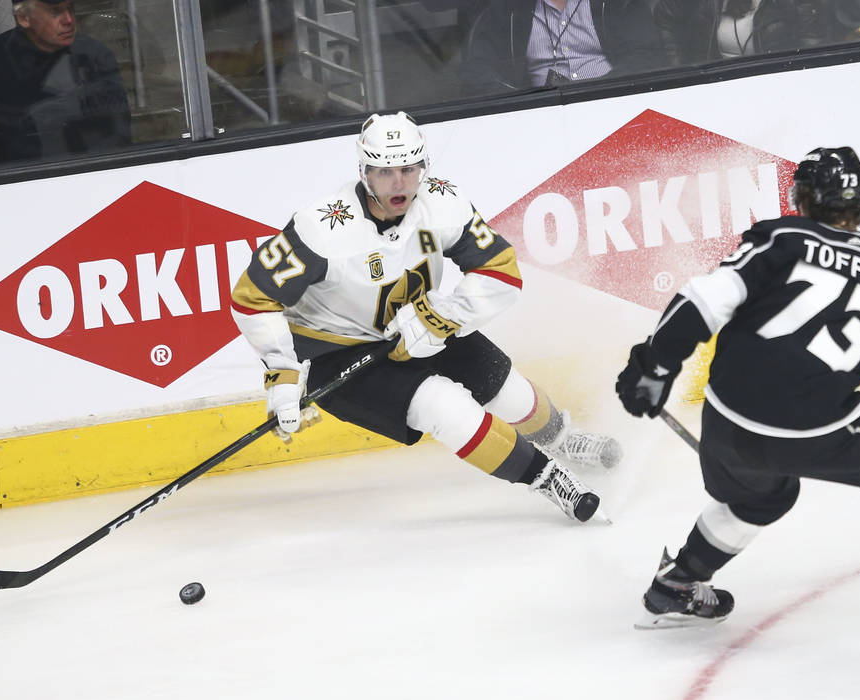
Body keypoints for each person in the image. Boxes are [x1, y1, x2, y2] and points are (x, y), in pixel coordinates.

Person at [616, 147, 860, 632]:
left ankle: (678, 585)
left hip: (726, 420)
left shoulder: (780, 238)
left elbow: (702, 301)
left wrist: (653, 368)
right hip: (814, 430)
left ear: (801, 197)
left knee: (763, 496)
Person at [230, 111, 622, 523]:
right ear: (364, 171)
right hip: (339, 355)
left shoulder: (442, 202)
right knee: (445, 408)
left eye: (409, 168)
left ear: (424, 166)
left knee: (509, 390)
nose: (399, 183)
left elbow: (500, 270)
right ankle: (547, 478)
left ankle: (562, 440)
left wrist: (442, 317)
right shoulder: (322, 228)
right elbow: (253, 298)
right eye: (385, 171)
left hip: (418, 324)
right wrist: (282, 375)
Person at [0, 0, 131, 168]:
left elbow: (117, 133)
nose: (69, 20)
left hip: (89, 172)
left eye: (70, 8)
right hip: (13, 178)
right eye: (55, 12)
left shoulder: (94, 55)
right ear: (24, 18)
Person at [460, 0, 664, 96]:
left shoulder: (616, 3)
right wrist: (523, 100)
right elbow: (476, 72)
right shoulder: (507, 9)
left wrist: (596, 91)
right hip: (538, 115)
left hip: (613, 99)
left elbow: (647, 54)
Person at [653, 0, 832, 67]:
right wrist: (680, 69)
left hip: (776, 85)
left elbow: (811, 49)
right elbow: (666, 14)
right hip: (718, 89)